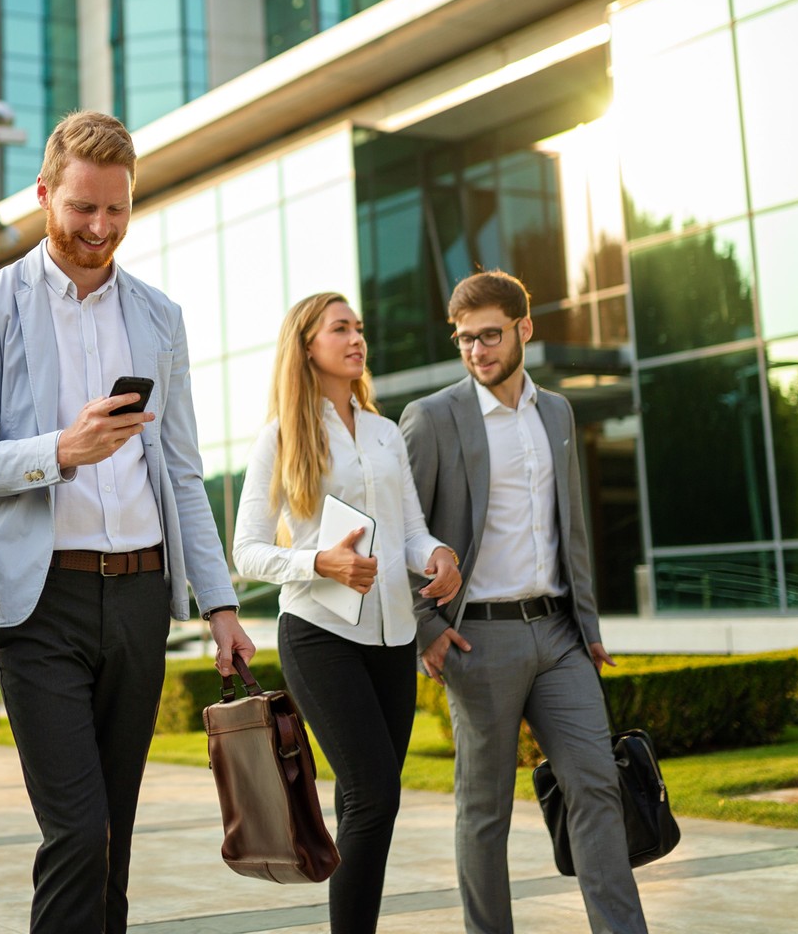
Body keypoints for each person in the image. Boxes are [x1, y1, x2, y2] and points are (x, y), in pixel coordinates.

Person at [0, 110, 254, 934]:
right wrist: (63, 449)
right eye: (83, 207)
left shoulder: (159, 315)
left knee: (114, 836)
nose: (100, 228)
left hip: (142, 595)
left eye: (116, 209)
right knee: (77, 832)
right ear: (44, 194)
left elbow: (182, 471)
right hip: (41, 602)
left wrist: (220, 606)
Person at [403, 271, 648, 934]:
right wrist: (426, 626)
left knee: (596, 786)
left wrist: (589, 623)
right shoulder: (433, 419)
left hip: (559, 634)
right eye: (464, 340)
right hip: (480, 641)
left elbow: (572, 529)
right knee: (486, 812)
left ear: (524, 330)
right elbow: (400, 529)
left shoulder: (557, 412)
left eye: (489, 335)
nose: (477, 350)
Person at [231, 293, 464, 932]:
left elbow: (410, 531)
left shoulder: (385, 432)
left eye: (359, 327)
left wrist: (438, 554)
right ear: (308, 345)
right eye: (340, 328)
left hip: (393, 637)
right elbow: (245, 549)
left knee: (372, 803)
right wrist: (317, 563)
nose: (356, 338)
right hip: (320, 633)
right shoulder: (281, 434)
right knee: (373, 793)